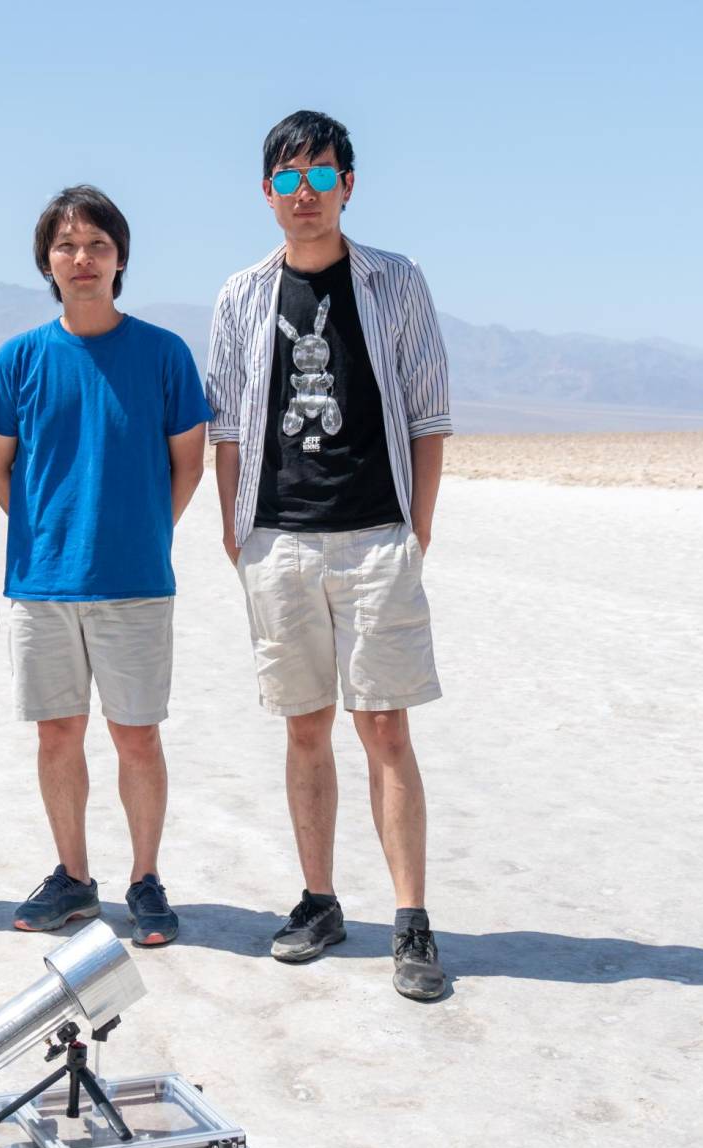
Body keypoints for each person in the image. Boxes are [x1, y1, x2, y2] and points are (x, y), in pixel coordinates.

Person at [206, 111, 452, 999]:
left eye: (318, 175)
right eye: (284, 179)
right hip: (279, 542)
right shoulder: (241, 295)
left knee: (384, 725)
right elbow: (228, 422)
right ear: (266, 193)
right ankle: (318, 900)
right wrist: (239, 534)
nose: (301, 193)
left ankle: (412, 922)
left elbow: (427, 414)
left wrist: (415, 526)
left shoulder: (395, 281)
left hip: (376, 534)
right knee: (305, 725)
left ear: (348, 184)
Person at [0, 185, 210, 946]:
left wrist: (138, 534)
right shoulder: (19, 360)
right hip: (44, 586)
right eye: (68, 246)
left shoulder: (164, 354)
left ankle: (146, 879)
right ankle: (73, 879)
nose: (83, 258)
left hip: (136, 583)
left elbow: (188, 465)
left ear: (120, 260)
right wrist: (53, 537)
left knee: (136, 735)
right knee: (57, 735)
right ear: (47, 260)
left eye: (98, 246)